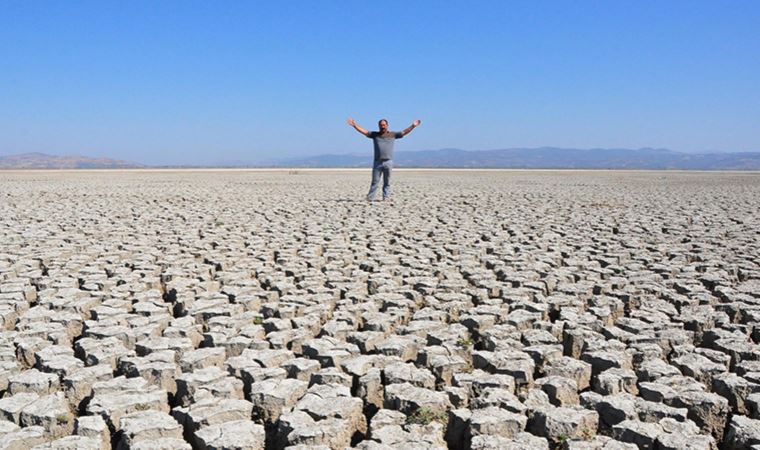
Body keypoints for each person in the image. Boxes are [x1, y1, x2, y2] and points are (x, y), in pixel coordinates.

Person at [346, 117, 422, 201]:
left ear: (387, 125)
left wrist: (413, 126)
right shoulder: (375, 135)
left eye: (384, 125)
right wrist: (354, 125)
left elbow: (404, 132)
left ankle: (386, 197)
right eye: (381, 125)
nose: (383, 126)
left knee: (387, 182)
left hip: (388, 162)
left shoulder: (393, 135)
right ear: (379, 126)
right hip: (377, 162)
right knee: (375, 182)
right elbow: (364, 131)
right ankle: (370, 198)